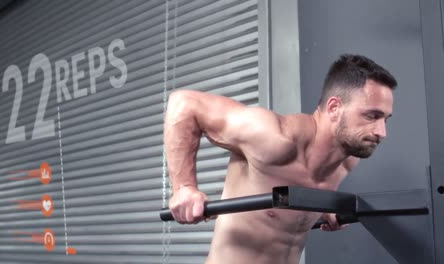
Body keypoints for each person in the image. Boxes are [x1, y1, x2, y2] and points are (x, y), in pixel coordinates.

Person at [164, 54, 397, 264]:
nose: (381, 132)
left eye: (385, 119)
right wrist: (184, 187)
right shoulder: (273, 137)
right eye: (371, 116)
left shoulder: (345, 159)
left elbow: (298, 189)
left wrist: (323, 206)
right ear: (335, 108)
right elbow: (184, 103)